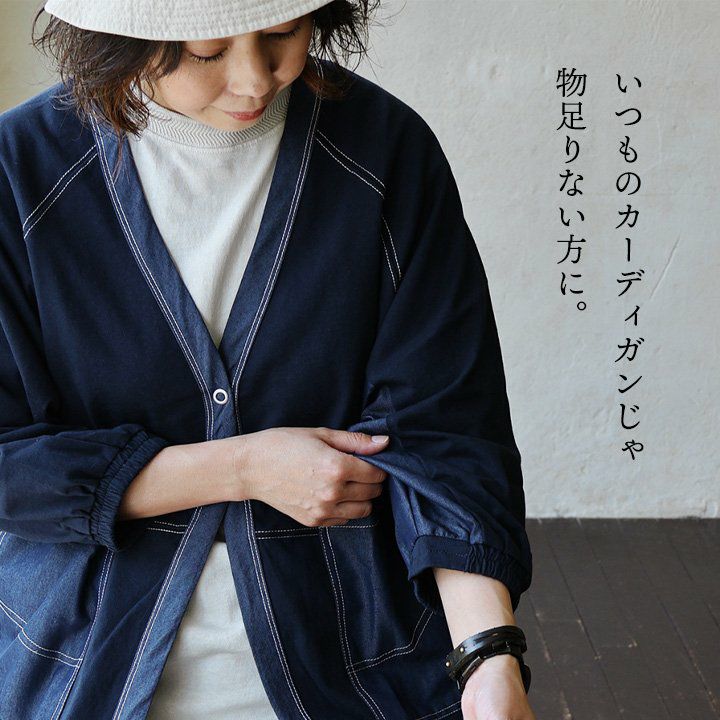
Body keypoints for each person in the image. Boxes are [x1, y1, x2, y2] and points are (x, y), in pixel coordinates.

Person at [0, 1, 535, 718]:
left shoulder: (384, 149)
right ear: (123, 35)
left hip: (355, 672)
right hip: (83, 673)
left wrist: (487, 657)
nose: (256, 79)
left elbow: (445, 430)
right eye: (207, 50)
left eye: (284, 30)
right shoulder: (20, 171)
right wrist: (240, 467)